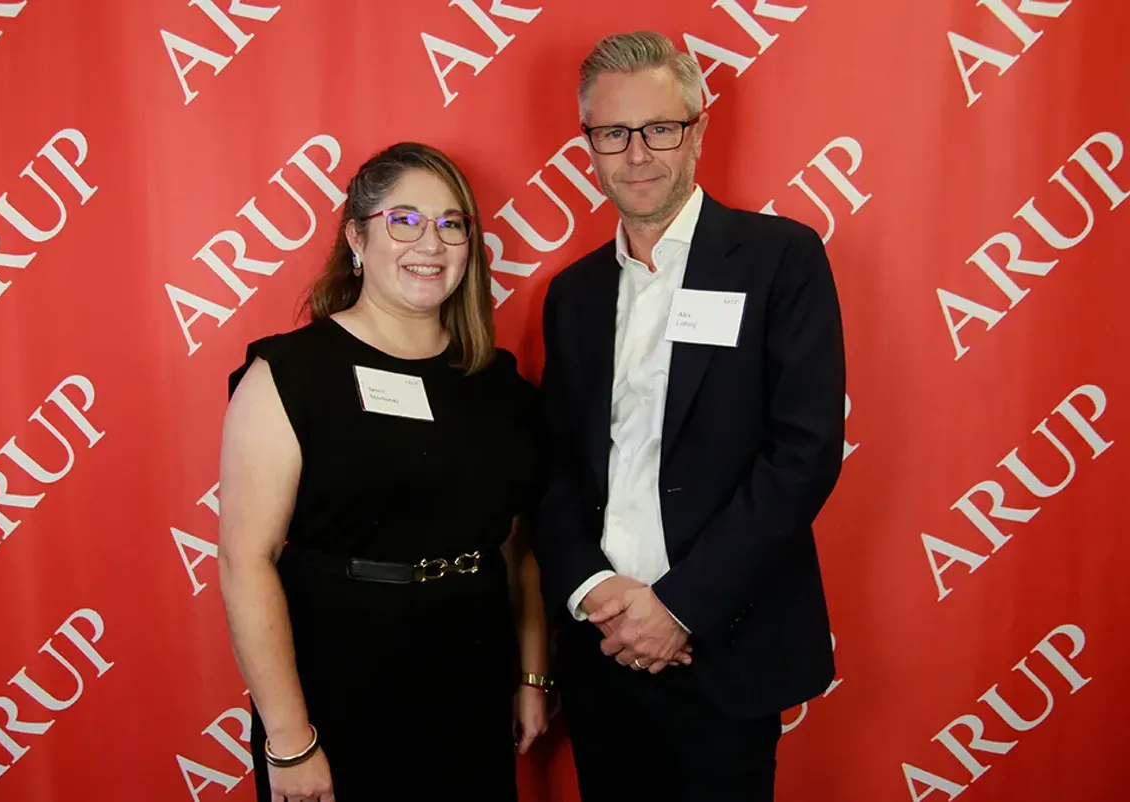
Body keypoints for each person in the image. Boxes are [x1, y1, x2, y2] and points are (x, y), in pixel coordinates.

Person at [534, 31, 846, 801]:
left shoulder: (781, 258)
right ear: (590, 145)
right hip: (602, 651)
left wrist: (677, 607)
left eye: (660, 128)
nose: (637, 155)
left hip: (723, 650)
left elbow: (802, 454)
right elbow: (553, 468)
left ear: (698, 129)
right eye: (614, 134)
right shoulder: (571, 295)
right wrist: (593, 595)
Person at [217, 142, 550, 802]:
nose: (431, 242)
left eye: (452, 223)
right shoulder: (291, 374)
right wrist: (290, 740)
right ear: (356, 239)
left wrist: (533, 676)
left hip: (471, 675)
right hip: (341, 683)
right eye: (404, 220)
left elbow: (520, 546)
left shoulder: (499, 386)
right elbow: (243, 560)